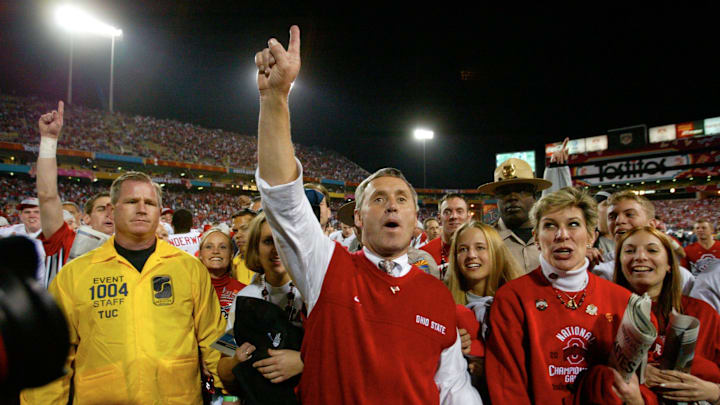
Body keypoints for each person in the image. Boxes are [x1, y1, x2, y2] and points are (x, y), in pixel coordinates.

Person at [253, 25, 480, 404]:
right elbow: (284, 200)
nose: (391, 205)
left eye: (401, 199)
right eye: (378, 199)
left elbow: (454, 388)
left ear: (414, 220)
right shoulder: (327, 268)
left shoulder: (437, 295)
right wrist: (275, 98)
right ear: (357, 218)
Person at [20, 171, 226, 404]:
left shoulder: (189, 268)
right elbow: (51, 355)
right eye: (131, 201)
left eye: (149, 203)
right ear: (112, 209)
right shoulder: (75, 275)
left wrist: (228, 392)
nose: (141, 208)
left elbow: (213, 338)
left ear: (159, 212)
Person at [485, 187, 640, 404]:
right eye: (550, 225)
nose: (562, 235)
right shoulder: (512, 299)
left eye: (573, 224)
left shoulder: (622, 301)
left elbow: (641, 383)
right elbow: (506, 385)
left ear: (591, 236)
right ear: (536, 238)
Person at [612, 226, 720, 404]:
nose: (640, 256)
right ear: (620, 263)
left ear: (669, 264)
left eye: (652, 250)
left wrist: (714, 392)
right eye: (630, 251)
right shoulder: (605, 312)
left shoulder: (702, 313)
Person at [217, 212, 305, 397]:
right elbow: (222, 365)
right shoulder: (243, 298)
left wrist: (303, 361)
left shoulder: (312, 293)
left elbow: (342, 357)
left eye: (283, 240)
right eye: (267, 241)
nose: (276, 249)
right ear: (255, 248)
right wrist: (235, 362)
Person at [32, 101, 114, 288]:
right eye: (102, 209)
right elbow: (47, 195)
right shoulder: (65, 239)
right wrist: (48, 140)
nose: (110, 214)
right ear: (85, 217)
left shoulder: (129, 251)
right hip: (59, 317)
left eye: (114, 209)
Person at [445, 221, 524, 401]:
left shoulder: (520, 302)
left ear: (496, 252)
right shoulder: (443, 303)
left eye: (480, 248)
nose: (471, 255)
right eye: (462, 249)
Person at [476, 147, 572, 273]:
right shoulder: (484, 240)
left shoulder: (554, 237)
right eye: (504, 192)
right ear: (496, 199)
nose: (512, 197)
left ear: (534, 195)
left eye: (520, 190)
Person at [593, 190, 695, 294]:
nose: (619, 221)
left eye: (629, 214)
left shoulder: (682, 278)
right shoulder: (597, 270)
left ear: (651, 224)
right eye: (612, 217)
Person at [199, 227, 246, 319]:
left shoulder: (244, 292)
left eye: (223, 247)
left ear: (231, 254)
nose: (216, 251)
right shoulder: (189, 289)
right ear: (200, 254)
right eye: (209, 247)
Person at [421, 193, 470, 279]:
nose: (453, 216)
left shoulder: (480, 251)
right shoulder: (423, 255)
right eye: (447, 212)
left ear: (468, 217)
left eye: (459, 211)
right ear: (439, 218)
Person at [231, 208, 258, 285]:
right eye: (235, 231)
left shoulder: (275, 263)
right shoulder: (233, 267)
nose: (238, 235)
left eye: (245, 228)